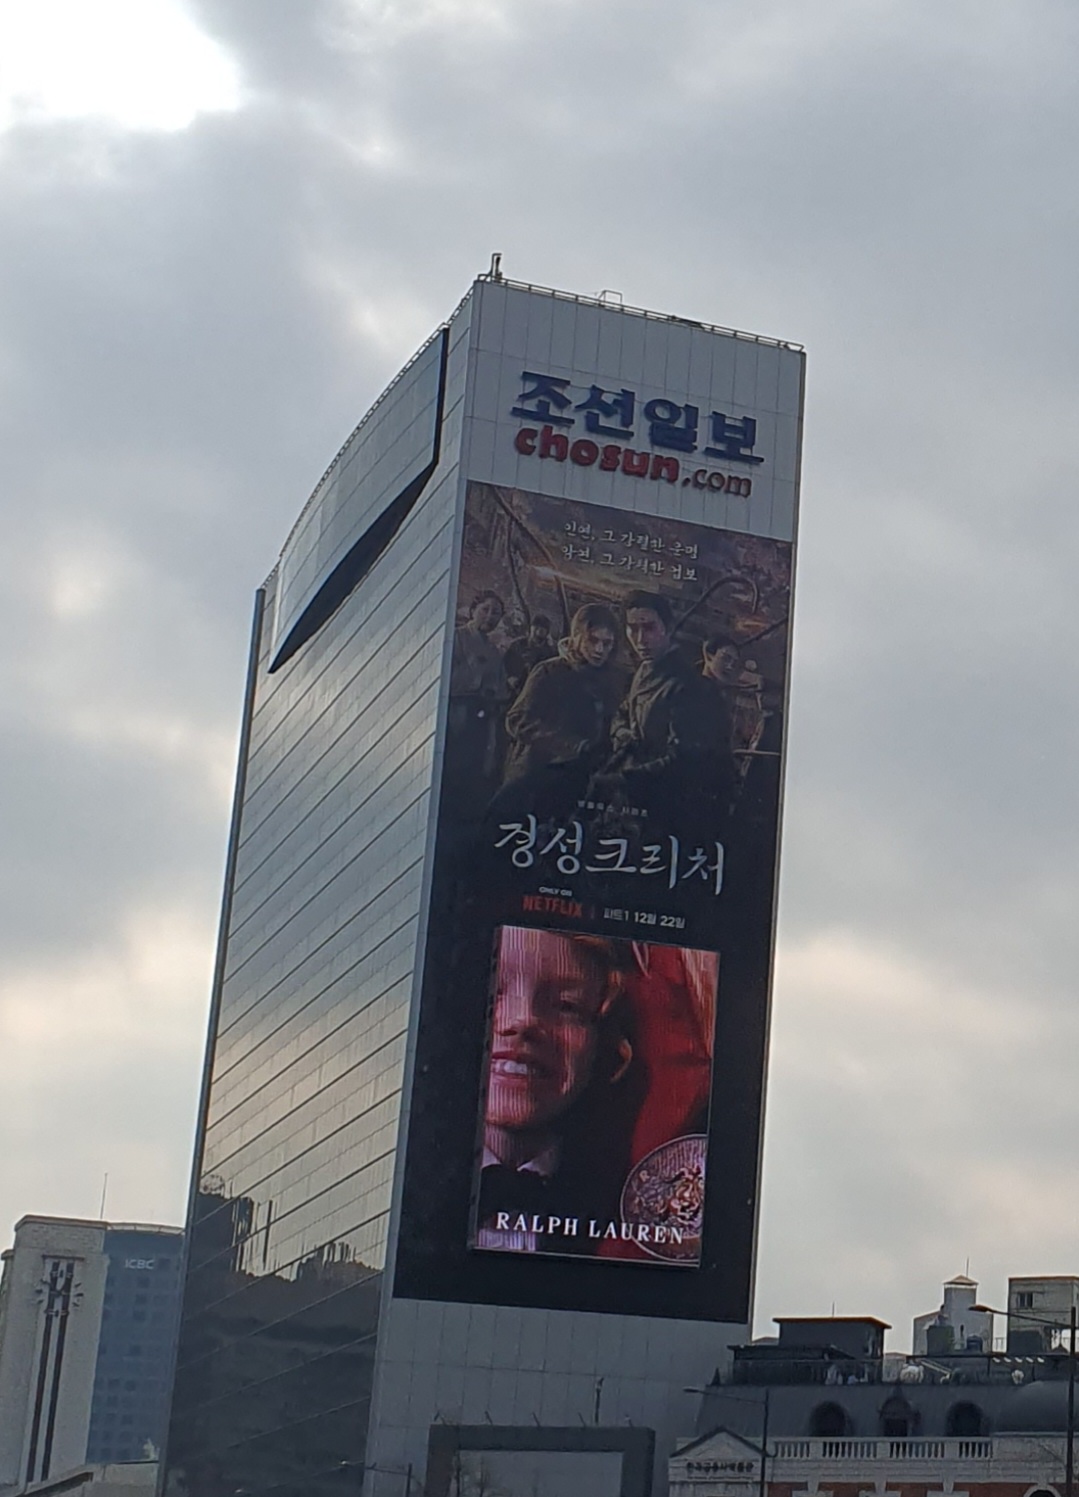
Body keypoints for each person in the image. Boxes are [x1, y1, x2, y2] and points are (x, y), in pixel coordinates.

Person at [473, 926, 633, 1253]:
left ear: (603, 1043)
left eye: (566, 1005)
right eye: (492, 992)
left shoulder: (626, 1208)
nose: (524, 1020)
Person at [592, 591, 733, 834]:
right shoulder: (644, 671)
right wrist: (623, 734)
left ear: (667, 627)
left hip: (668, 809)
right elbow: (623, 713)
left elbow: (684, 758)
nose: (640, 639)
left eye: (649, 628)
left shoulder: (688, 685)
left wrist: (624, 778)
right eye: (632, 629)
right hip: (635, 800)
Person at [502, 604, 627, 784]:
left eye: (607, 643)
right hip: (537, 774)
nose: (599, 649)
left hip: (583, 779)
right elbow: (517, 719)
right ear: (577, 636)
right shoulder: (550, 671)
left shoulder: (613, 682)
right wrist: (571, 745)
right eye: (592, 640)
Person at [447, 590, 510, 819]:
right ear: (473, 610)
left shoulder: (494, 651)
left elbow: (501, 686)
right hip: (457, 710)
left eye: (496, 613)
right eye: (485, 610)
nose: (490, 616)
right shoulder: (456, 637)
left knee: (475, 766)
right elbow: (445, 678)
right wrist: (474, 676)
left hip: (484, 716)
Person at [502, 614, 556, 697]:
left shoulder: (550, 652)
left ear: (547, 632)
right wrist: (509, 677)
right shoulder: (518, 645)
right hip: (512, 688)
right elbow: (504, 663)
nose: (539, 630)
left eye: (543, 627)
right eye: (536, 626)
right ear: (531, 627)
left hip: (536, 690)